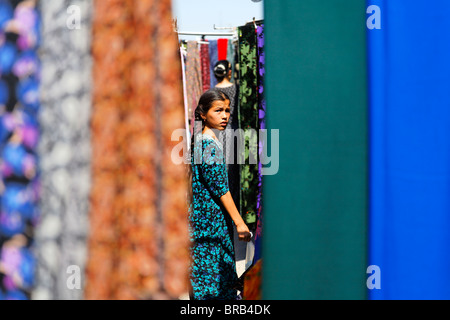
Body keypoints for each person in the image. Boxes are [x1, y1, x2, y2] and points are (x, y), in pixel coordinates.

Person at [188, 89, 251, 300]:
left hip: (204, 222)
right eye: (218, 110)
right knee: (213, 281)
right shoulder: (207, 145)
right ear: (203, 113)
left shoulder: (202, 140)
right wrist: (240, 222)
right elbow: (221, 189)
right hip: (210, 225)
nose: (225, 116)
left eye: (227, 110)